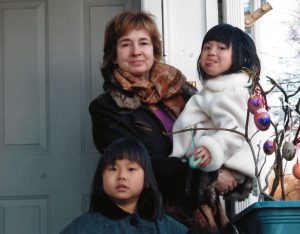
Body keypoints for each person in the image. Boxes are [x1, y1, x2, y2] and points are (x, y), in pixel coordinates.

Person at [89, 11, 237, 233]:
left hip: (206, 212)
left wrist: (232, 171)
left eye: (144, 43)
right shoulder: (107, 108)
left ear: (154, 50)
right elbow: (140, 163)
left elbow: (218, 131)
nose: (136, 51)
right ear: (113, 54)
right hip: (153, 216)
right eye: (126, 44)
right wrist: (208, 177)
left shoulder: (186, 93)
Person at [170, 23, 261, 201]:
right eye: (207, 47)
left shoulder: (230, 90)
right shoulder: (212, 90)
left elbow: (235, 130)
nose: (211, 52)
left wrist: (212, 149)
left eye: (221, 48)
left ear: (239, 55)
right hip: (198, 168)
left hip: (217, 163)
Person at [60, 137, 188, 233]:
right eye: (113, 169)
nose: (122, 176)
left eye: (131, 169)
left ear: (147, 180)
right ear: (101, 179)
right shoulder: (86, 227)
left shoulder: (164, 226)